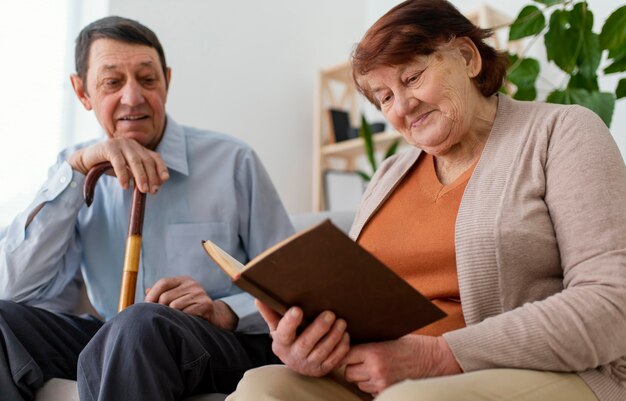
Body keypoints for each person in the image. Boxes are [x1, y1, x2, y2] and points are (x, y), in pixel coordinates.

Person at [227, 1, 626, 400]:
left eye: (413, 77)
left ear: (468, 57)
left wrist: (438, 357)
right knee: (263, 386)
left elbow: (612, 305)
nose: (402, 106)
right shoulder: (387, 176)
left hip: (545, 372)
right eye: (384, 97)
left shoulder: (562, 132)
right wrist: (313, 346)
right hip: (383, 380)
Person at [0, 16, 293, 401]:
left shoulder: (233, 161)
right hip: (119, 337)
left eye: (147, 79)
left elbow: (291, 288)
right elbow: (12, 288)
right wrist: (76, 173)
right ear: (82, 92)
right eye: (112, 82)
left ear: (167, 82)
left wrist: (223, 310)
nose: (133, 97)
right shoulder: (73, 172)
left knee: (138, 323)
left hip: (221, 340)